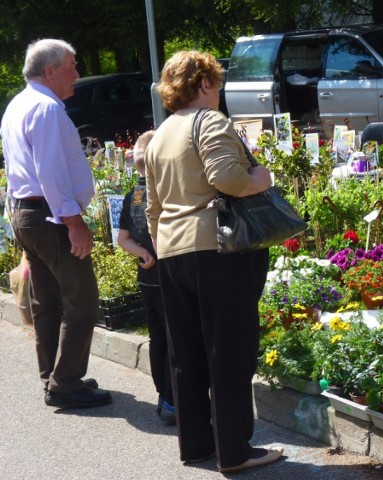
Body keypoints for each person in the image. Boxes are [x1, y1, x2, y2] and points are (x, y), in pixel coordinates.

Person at [144, 50, 283, 472]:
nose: (218, 91)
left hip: (172, 250)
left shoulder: (160, 134)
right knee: (229, 349)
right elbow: (227, 177)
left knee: (186, 353)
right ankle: (235, 451)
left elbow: (152, 207)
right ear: (204, 84)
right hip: (218, 250)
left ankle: (197, 445)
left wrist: (166, 243)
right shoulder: (211, 122)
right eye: (217, 83)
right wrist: (261, 178)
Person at [0, 39, 111, 409]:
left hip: (28, 214)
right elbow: (51, 173)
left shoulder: (18, 104)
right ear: (50, 71)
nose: (77, 73)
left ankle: (54, 376)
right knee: (83, 301)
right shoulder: (46, 108)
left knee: (46, 301)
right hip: (48, 216)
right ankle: (66, 383)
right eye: (71, 66)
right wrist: (74, 224)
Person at [117, 130, 175, 425]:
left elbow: (122, 239)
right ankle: (176, 397)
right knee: (177, 335)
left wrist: (142, 253)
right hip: (170, 276)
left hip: (147, 276)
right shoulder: (163, 192)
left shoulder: (132, 196)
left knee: (157, 337)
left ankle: (163, 395)